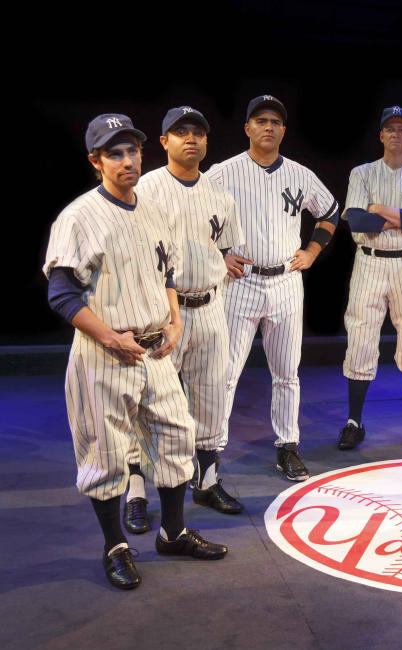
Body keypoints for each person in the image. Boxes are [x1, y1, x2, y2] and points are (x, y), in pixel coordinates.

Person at [44, 114, 228, 590]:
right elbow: (62, 295)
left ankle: (172, 532)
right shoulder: (80, 216)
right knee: (106, 456)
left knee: (176, 438)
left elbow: (166, 272)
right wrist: (108, 336)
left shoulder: (151, 209)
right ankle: (116, 547)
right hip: (105, 351)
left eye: (132, 150)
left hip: (153, 347)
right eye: (115, 153)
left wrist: (176, 319)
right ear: (96, 161)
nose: (127, 160)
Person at [122, 106, 246, 534]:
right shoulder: (147, 190)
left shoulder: (220, 195)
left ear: (207, 142)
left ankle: (207, 481)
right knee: (148, 405)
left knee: (211, 397)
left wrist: (226, 262)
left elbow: (226, 247)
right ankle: (136, 491)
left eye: (197, 132)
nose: (190, 138)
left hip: (209, 308)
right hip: (161, 315)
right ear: (164, 142)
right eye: (180, 132)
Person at [207, 95, 338, 481]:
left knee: (286, 373)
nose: (268, 126)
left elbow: (329, 211)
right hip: (241, 283)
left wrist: (312, 250)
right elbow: (191, 216)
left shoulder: (300, 174)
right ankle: (212, 451)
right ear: (247, 128)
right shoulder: (222, 172)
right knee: (225, 373)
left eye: (275, 121)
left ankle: (287, 446)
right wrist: (220, 255)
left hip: (285, 281)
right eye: (260, 120)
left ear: (283, 130)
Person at [338, 106, 402, 452]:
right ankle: (354, 422)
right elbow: (356, 222)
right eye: (389, 128)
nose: (395, 133)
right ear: (381, 135)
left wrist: (379, 209)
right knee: (361, 340)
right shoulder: (362, 173)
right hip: (370, 263)